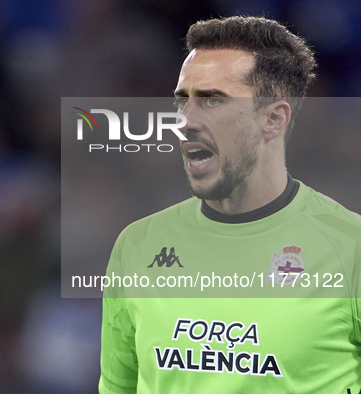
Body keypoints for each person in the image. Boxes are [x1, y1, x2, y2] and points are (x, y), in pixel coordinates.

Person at [99, 16, 361, 393]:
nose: (185, 121)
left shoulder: (349, 249)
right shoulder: (137, 245)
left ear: (273, 119)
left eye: (211, 100)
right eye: (182, 101)